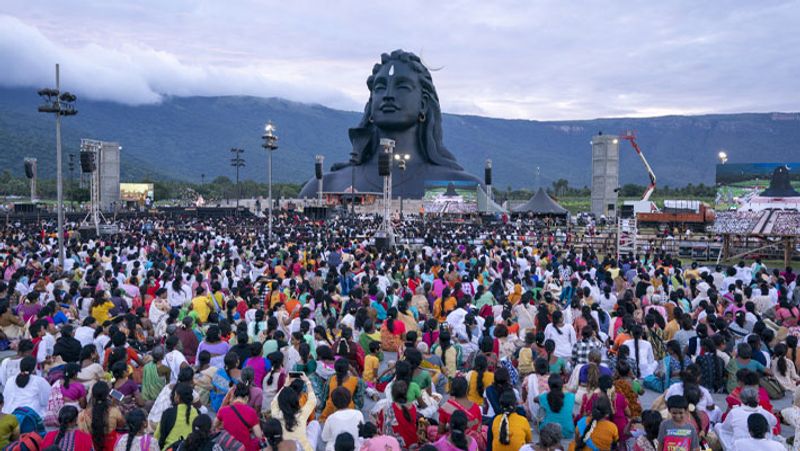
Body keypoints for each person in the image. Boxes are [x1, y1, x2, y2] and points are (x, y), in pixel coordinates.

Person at [270, 374, 318, 451]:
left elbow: (274, 402)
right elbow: (313, 401)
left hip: (286, 448)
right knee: (315, 424)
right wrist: (307, 382)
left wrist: (285, 385)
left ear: (280, 402)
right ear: (296, 401)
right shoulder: (301, 414)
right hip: (303, 448)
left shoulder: (276, 415)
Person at [437, 376, 484, 450]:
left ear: (452, 390)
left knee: (431, 429)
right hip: (472, 442)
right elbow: (479, 428)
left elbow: (440, 431)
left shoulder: (446, 406)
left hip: (452, 441)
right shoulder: (476, 407)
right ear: (467, 390)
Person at [215, 382, 263, 451]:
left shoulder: (223, 410)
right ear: (246, 398)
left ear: (234, 396)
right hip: (243, 448)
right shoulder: (252, 412)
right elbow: (259, 436)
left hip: (225, 446)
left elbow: (215, 425)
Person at [78, 381, 126, 451]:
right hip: (112, 445)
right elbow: (122, 424)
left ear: (93, 395)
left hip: (92, 446)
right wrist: (114, 404)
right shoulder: (114, 411)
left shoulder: (82, 415)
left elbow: (82, 432)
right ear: (107, 395)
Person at [375, 381, 418, 450]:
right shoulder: (413, 407)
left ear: (392, 394)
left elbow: (383, 431)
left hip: (396, 446)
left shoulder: (387, 409)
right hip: (412, 443)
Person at [154, 383, 198, 450]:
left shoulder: (168, 413)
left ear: (178, 397)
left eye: (175, 394)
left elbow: (157, 438)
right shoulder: (197, 412)